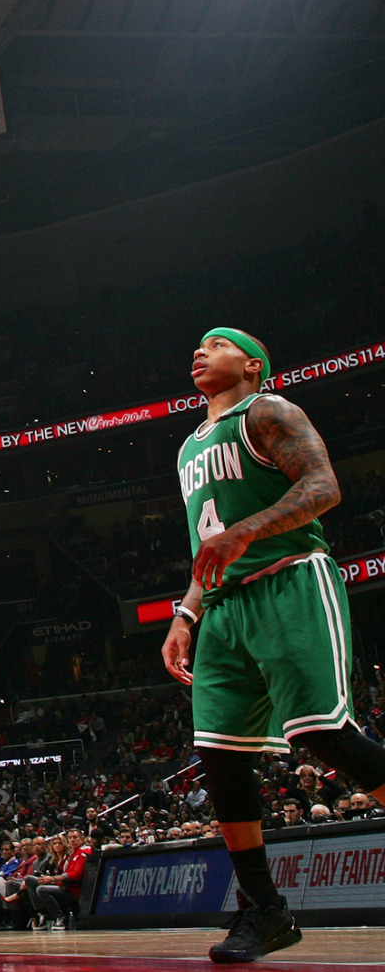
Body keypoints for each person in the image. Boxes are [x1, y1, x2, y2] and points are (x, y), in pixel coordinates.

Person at [162, 329, 385, 964]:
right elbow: (210, 543)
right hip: (223, 608)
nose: (200, 350)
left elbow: (323, 488)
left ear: (252, 363)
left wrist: (247, 531)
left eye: (217, 343)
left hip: (289, 580)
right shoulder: (188, 448)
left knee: (320, 734)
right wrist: (185, 614)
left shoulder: (269, 411)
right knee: (219, 759)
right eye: (196, 344)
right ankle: (266, 912)